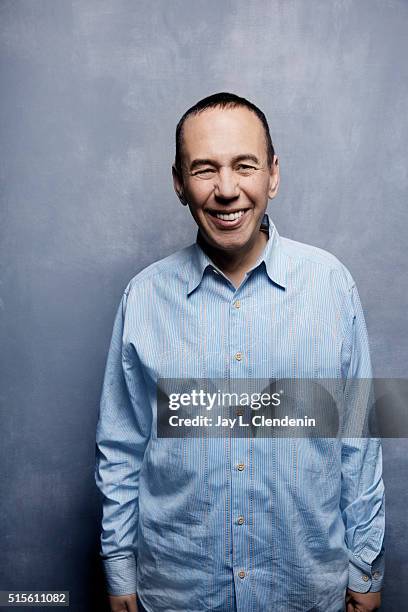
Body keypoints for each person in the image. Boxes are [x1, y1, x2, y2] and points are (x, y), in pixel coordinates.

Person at [94, 92, 385, 612]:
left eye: (244, 166)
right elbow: (122, 448)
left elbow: (358, 440)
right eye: (204, 170)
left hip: (303, 591)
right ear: (179, 182)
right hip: (179, 593)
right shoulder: (142, 297)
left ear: (272, 174)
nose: (227, 190)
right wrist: (119, 572)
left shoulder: (332, 287)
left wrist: (364, 566)